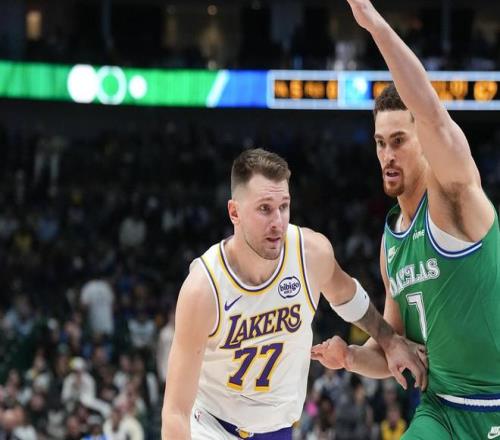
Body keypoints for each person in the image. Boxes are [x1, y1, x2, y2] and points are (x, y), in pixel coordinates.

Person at [312, 1, 500, 439]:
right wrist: (351, 358)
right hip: (441, 410)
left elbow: (432, 113)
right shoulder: (391, 240)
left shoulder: (454, 196)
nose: (387, 155)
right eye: (380, 143)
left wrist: (374, 25)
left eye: (398, 140)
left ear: (424, 142)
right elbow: (395, 346)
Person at [162, 148, 426, 439]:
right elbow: (175, 412)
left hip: (279, 430)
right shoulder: (203, 288)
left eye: (284, 206)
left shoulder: (310, 253)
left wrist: (390, 340)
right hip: (213, 427)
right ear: (234, 212)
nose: (277, 221)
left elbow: (350, 299)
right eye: (265, 209)